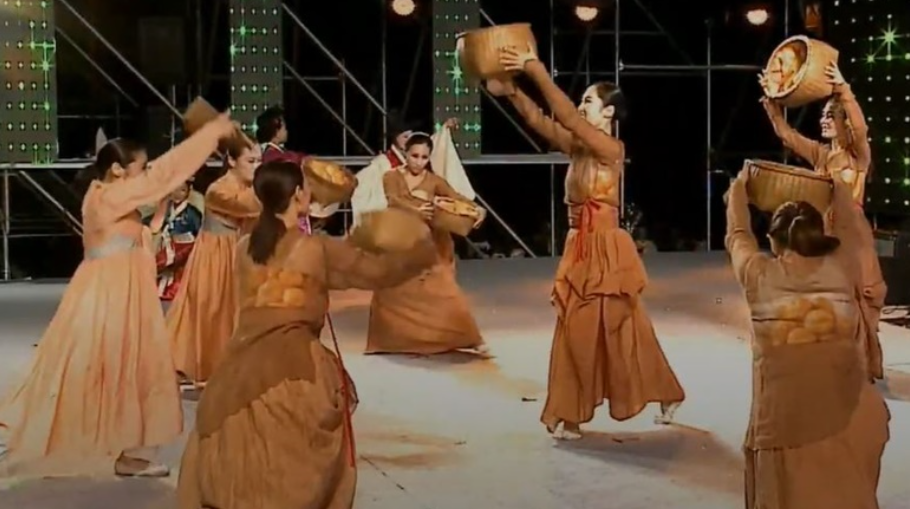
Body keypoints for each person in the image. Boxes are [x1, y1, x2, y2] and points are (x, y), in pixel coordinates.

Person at [176, 161, 437, 509]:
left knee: (242, 453)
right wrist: (417, 244)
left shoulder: (244, 248)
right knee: (298, 463)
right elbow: (377, 272)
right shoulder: (314, 249)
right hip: (297, 367)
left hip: (241, 364)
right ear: (299, 194)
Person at [0, 116, 239, 479]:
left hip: (121, 291)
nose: (145, 174)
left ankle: (132, 451)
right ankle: (31, 432)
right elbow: (162, 176)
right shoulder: (109, 196)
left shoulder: (107, 194)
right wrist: (209, 135)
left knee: (132, 370)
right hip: (109, 296)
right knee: (95, 369)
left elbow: (152, 199)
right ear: (117, 169)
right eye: (140, 168)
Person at [491, 44, 684, 439]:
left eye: (588, 101)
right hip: (581, 245)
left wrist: (535, 69)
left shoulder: (610, 148)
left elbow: (564, 116)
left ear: (609, 113)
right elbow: (542, 122)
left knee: (611, 327)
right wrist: (511, 90)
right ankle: (580, 411)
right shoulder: (580, 147)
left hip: (605, 249)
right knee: (601, 327)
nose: (580, 107)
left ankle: (573, 414)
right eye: (581, 100)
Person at [725, 169, 890, 509]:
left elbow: (738, 234)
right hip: (850, 414)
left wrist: (739, 190)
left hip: (787, 423)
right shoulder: (843, 265)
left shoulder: (758, 275)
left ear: (773, 240)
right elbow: (848, 227)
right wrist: (838, 188)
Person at [760, 62, 885, 380]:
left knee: (856, 296)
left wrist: (843, 90)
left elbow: (861, 129)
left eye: (831, 115)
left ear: (844, 121)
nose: (823, 120)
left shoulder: (858, 156)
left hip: (852, 236)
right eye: (823, 115)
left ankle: (857, 363)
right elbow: (788, 136)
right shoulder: (821, 155)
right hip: (825, 233)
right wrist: (772, 103)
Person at [365, 133, 488, 356]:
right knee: (392, 294)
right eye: (414, 156)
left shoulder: (434, 180)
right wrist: (416, 210)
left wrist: (477, 209)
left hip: (429, 243)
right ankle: (391, 342)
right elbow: (393, 199)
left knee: (445, 291)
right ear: (406, 154)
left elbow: (456, 197)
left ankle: (471, 339)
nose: (419, 162)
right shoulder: (391, 176)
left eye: (424, 157)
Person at [166, 142, 262, 387]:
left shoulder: (249, 188)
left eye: (259, 161)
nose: (256, 166)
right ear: (231, 160)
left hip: (240, 252)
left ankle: (237, 366)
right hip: (216, 255)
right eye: (250, 161)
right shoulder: (218, 190)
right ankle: (209, 365)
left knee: (239, 310)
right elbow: (249, 206)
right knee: (213, 310)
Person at [350, 112, 463, 227]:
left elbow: (429, 145)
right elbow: (362, 184)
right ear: (395, 138)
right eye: (405, 137)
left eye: (411, 136)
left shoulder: (419, 158)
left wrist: (444, 131)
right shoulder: (383, 163)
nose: (409, 139)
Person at [146, 180, 204, 305]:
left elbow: (199, 232)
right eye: (175, 189)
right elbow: (152, 221)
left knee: (166, 263)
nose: (177, 194)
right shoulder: (166, 207)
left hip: (184, 246)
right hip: (167, 242)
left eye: (182, 190)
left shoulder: (193, 213)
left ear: (189, 191)